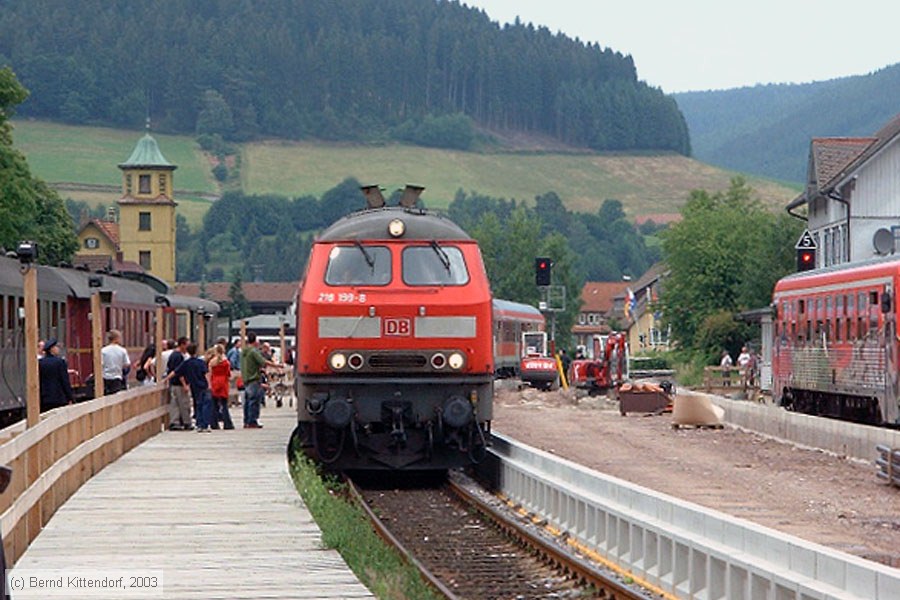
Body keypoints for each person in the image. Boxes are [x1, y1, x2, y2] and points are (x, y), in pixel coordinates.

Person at [168, 343, 213, 433]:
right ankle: (205, 424)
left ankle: (199, 424)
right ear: (196, 351)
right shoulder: (201, 362)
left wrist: (166, 379)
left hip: (194, 387)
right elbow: (206, 374)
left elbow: (176, 372)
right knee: (206, 405)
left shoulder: (186, 363)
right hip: (203, 385)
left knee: (198, 405)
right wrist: (209, 384)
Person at [241, 331, 281, 428]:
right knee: (254, 401)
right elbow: (263, 361)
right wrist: (277, 365)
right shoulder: (253, 351)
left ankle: (246, 421)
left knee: (247, 401)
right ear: (255, 340)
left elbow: (250, 364)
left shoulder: (243, 352)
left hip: (246, 377)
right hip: (254, 378)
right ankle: (252, 421)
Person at [39, 337, 74, 411]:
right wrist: (70, 397)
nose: (58, 349)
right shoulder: (60, 362)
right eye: (56, 347)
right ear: (52, 349)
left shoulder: (40, 363)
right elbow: (64, 381)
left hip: (44, 399)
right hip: (59, 398)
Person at [166, 337, 192, 430]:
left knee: (175, 403)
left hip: (174, 383)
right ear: (182, 345)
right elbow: (179, 372)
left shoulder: (173, 355)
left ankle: (175, 422)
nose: (187, 348)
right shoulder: (178, 357)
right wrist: (185, 384)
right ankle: (186, 422)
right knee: (184, 403)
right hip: (179, 383)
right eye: (187, 345)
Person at [208, 344, 234, 430]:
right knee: (224, 404)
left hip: (215, 381)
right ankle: (227, 423)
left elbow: (210, 373)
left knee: (214, 404)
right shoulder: (226, 362)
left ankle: (214, 423)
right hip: (223, 382)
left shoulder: (212, 362)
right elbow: (228, 374)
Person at [100, 329, 131, 395]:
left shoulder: (103, 350)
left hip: (105, 377)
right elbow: (127, 364)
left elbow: (101, 364)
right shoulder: (122, 350)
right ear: (117, 338)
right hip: (117, 377)